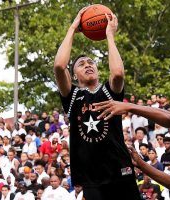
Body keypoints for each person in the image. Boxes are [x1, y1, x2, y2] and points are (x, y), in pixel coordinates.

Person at [53, 7, 140, 200]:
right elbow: (59, 65)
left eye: (91, 62)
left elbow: (118, 73)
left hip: (119, 167)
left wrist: (109, 35)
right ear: (74, 75)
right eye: (81, 64)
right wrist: (73, 27)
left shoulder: (109, 91)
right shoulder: (72, 95)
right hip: (90, 175)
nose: (88, 65)